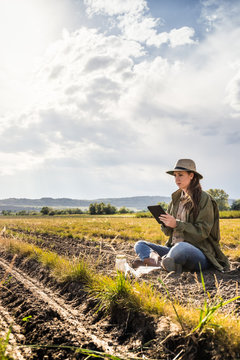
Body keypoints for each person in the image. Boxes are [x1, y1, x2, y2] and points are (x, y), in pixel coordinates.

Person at [133, 159, 230, 273]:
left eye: (180, 175)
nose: (177, 179)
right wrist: (166, 224)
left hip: (199, 253)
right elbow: (168, 233)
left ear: (191, 175)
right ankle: (162, 263)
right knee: (140, 244)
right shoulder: (175, 200)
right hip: (173, 249)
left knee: (181, 247)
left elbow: (202, 231)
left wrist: (177, 224)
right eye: (175, 176)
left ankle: (157, 263)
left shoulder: (204, 199)